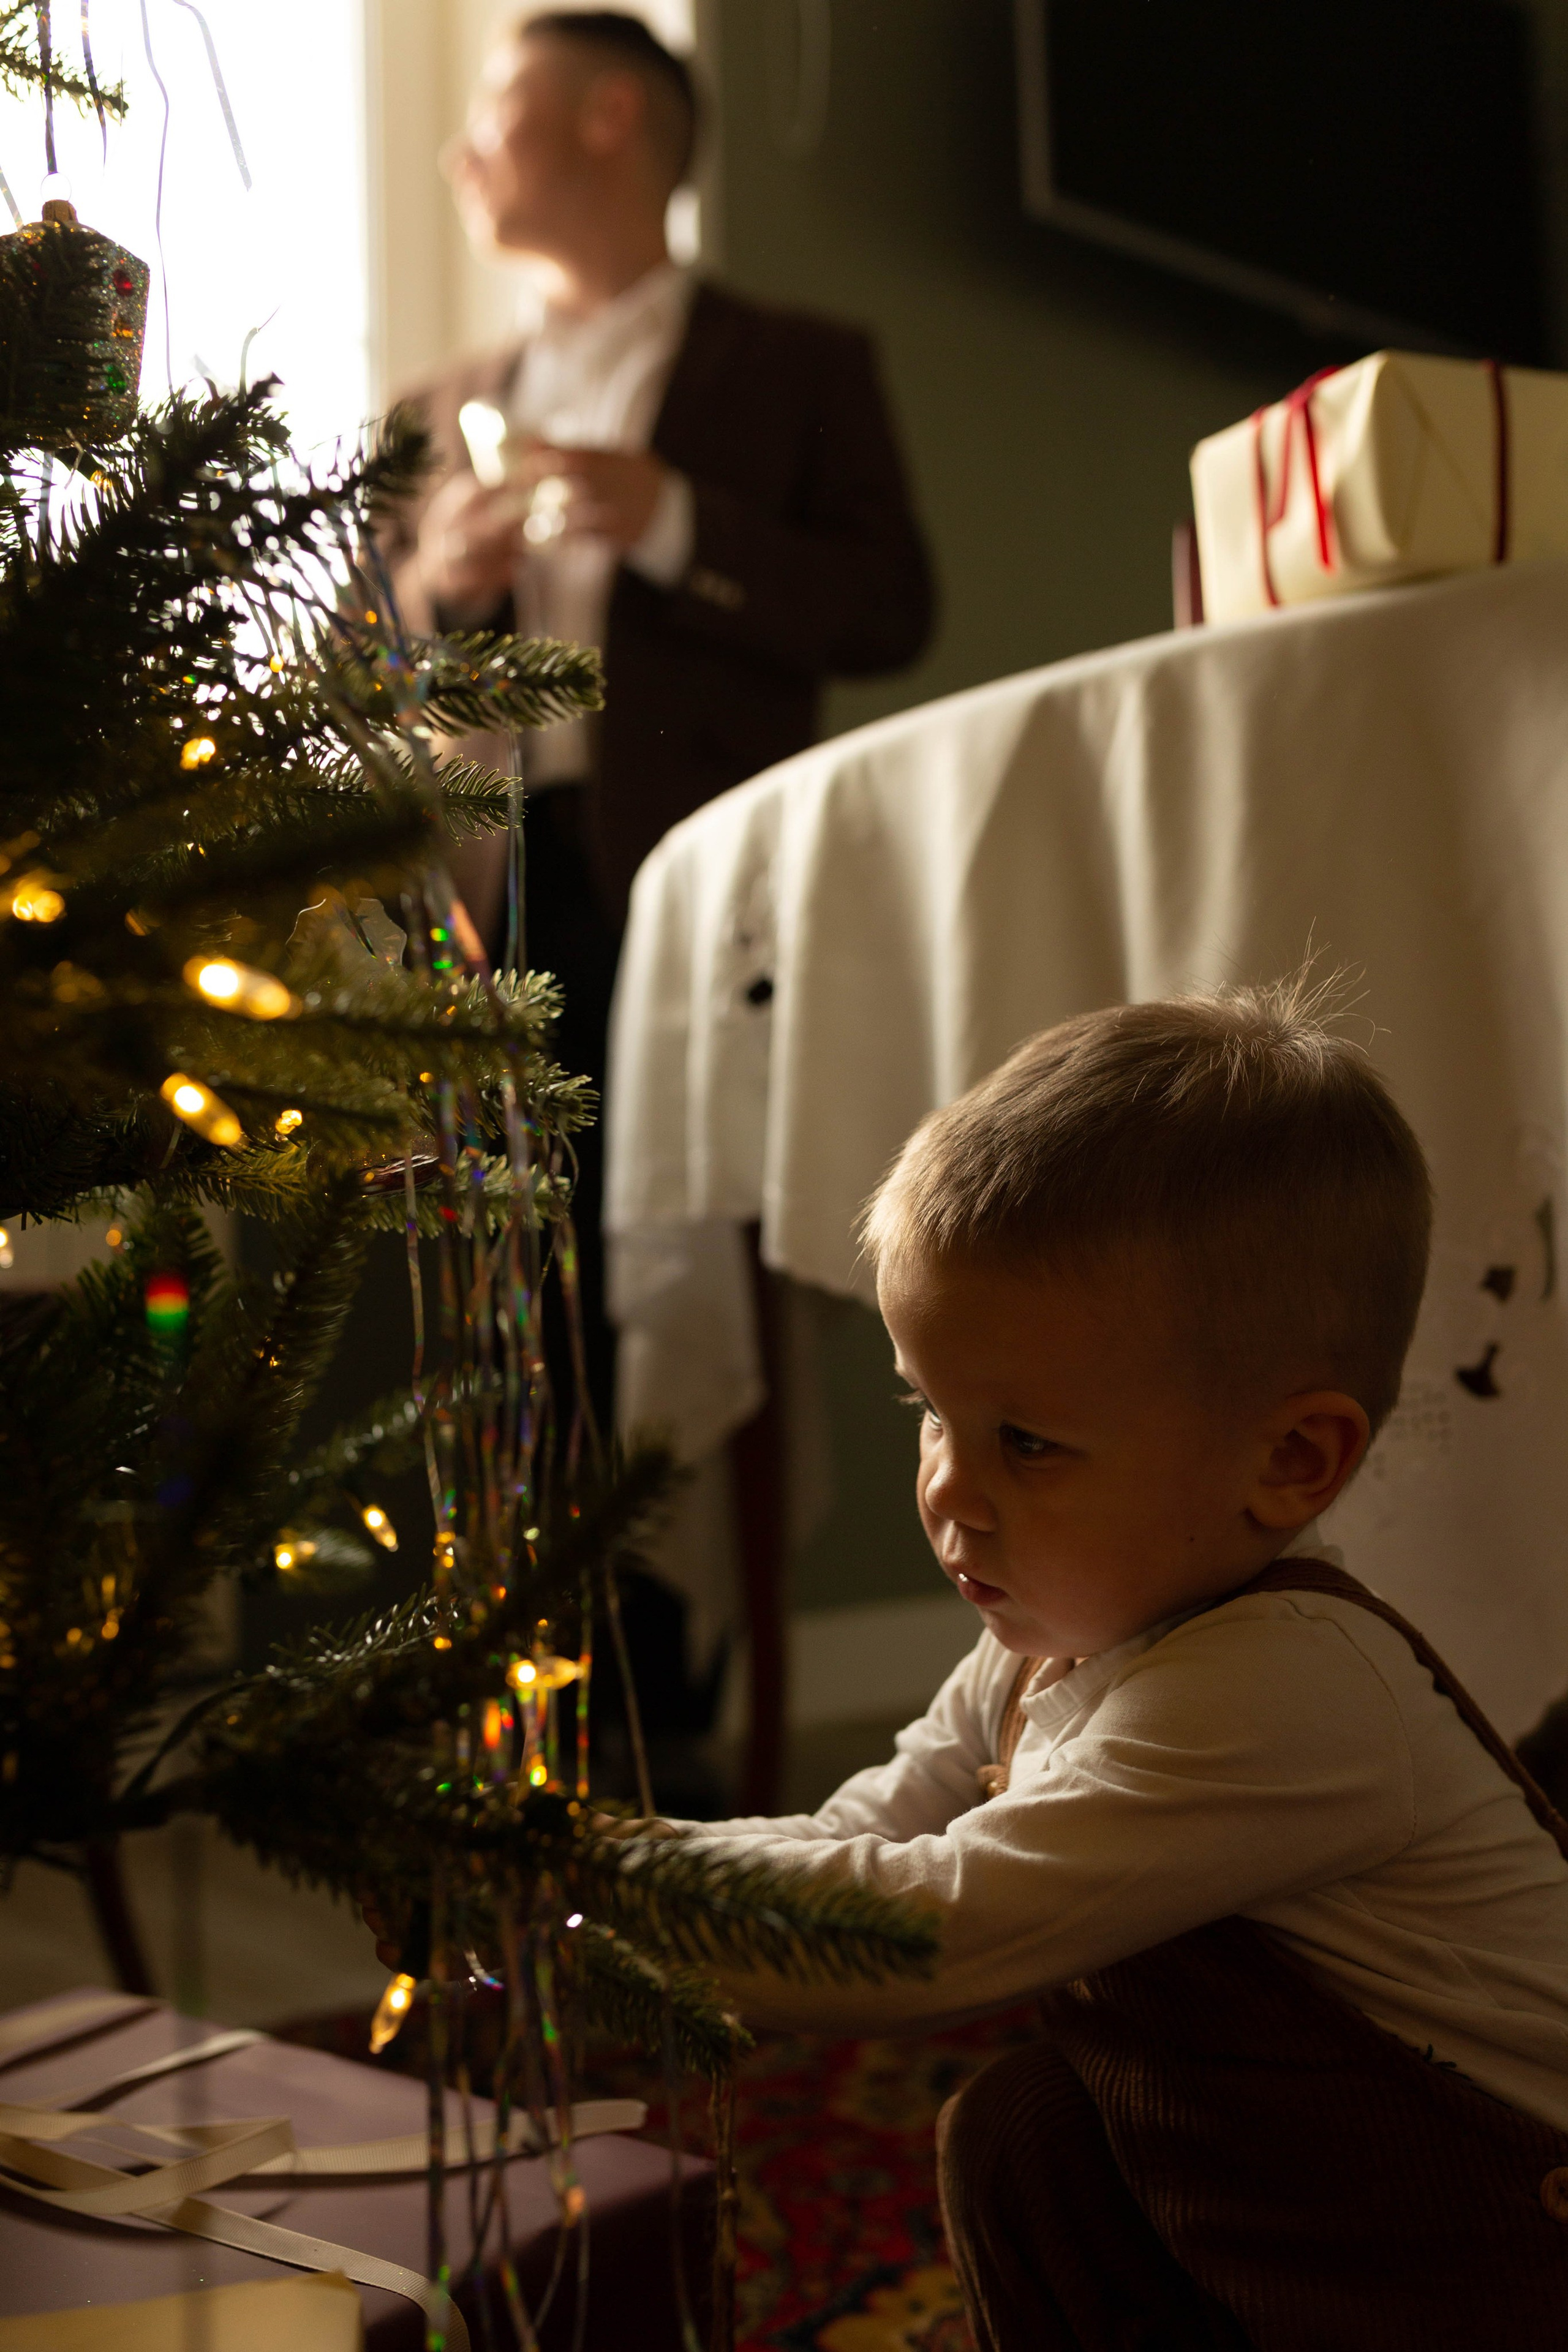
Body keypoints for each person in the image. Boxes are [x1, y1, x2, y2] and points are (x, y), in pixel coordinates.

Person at [634, 982, 1568, 2346]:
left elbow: (918, 1930)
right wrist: (601, 1876)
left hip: (1494, 2247)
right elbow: (859, 1840)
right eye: (927, 1414)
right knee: (1028, 2132)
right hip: (1295, 2197)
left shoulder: (1286, 1691)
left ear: (1288, 1461)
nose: (950, 1495)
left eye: (1027, 1443)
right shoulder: (1038, 1644)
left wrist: (579, 1882)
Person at [378, 7, 934, 1455]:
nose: (456, 152)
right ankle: (514, 1641)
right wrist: (439, 586)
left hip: (703, 889)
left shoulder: (801, 365)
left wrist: (677, 523)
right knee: (501, 1279)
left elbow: (891, 608)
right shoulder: (431, 410)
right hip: (489, 895)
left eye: (493, 112)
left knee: (676, 1276)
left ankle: (672, 1661)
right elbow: (352, 660)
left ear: (610, 119)